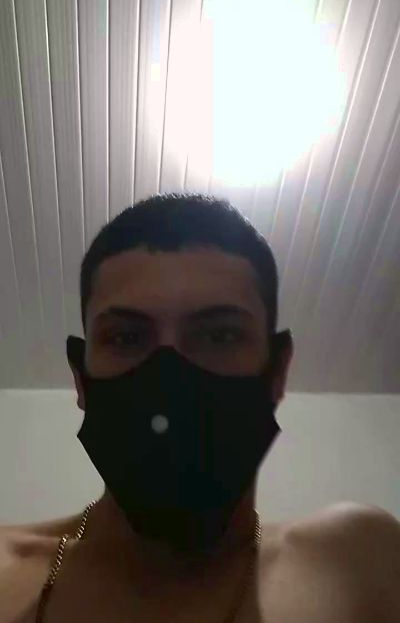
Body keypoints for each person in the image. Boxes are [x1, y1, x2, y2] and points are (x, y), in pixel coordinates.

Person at [0, 193, 399, 623]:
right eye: (126, 337)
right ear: (81, 378)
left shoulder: (355, 566)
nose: (169, 381)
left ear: (277, 371)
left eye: (220, 336)